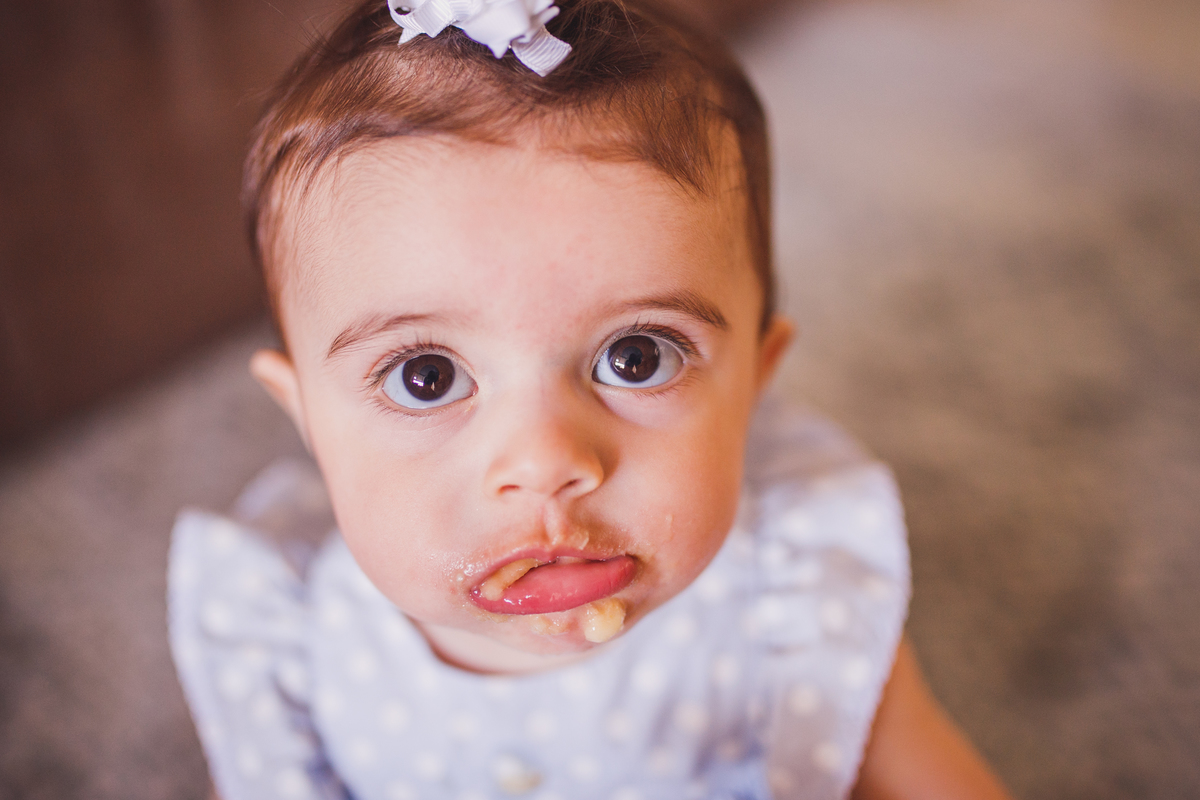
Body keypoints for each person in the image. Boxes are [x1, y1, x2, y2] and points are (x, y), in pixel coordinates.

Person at [168, 0, 1014, 798]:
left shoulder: (796, 606)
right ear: (307, 416)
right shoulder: (289, 642)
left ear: (755, 379)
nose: (547, 462)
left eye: (636, 358)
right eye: (427, 376)